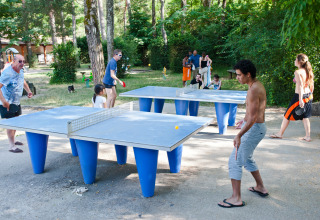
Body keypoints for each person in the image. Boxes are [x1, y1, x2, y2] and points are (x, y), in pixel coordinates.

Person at [218, 60, 268, 208]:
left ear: (248, 74)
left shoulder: (253, 89)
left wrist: (239, 135)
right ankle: (260, 187)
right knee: (247, 159)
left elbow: (253, 118)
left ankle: (236, 198)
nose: (237, 77)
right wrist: (244, 120)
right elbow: (253, 113)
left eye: (239, 75)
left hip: (255, 128)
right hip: (257, 127)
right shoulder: (254, 85)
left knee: (235, 161)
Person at [270, 54, 314, 142]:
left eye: (295, 59)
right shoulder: (308, 70)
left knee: (287, 115)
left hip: (299, 97)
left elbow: (300, 86)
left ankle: (280, 134)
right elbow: (311, 83)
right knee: (305, 117)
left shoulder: (298, 72)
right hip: (308, 96)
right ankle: (308, 136)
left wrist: (300, 99)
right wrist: (310, 94)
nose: (294, 61)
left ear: (299, 62)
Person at [0, 54, 33, 153]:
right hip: (7, 102)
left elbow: (22, 81)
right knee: (10, 123)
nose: (22, 63)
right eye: (20, 61)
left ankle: (13, 140)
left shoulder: (21, 70)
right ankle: (11, 146)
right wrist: (4, 102)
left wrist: (28, 91)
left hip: (16, 101)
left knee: (16, 121)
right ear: (13, 61)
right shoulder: (8, 74)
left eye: (23, 61)